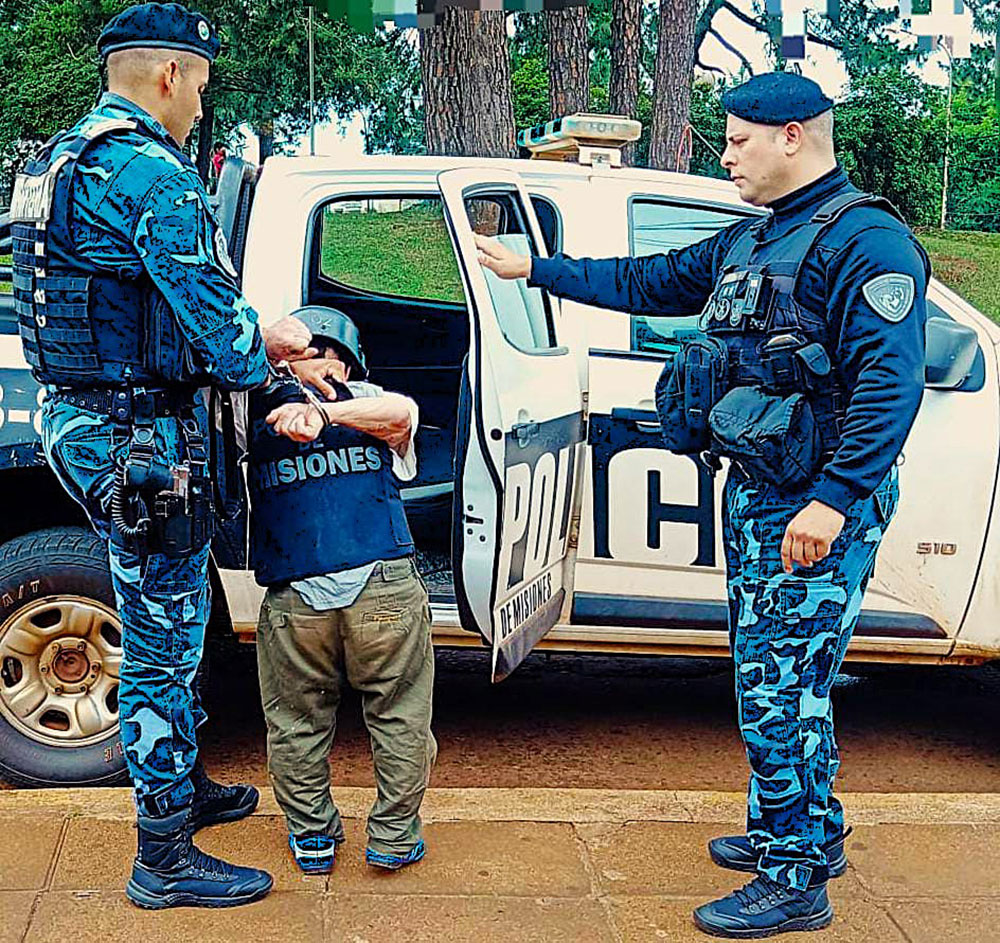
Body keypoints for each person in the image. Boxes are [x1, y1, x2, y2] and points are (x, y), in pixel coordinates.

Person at [475, 72, 928, 939]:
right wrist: (537, 268)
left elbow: (890, 384)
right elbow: (651, 280)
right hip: (763, 490)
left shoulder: (867, 241)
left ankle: (793, 878)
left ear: (792, 137)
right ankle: (803, 830)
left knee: (780, 684)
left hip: (813, 502)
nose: (725, 155)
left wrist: (834, 501)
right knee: (782, 675)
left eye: (738, 140)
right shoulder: (758, 235)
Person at [8, 1, 322, 911]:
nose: (200, 106)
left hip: (83, 418)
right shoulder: (154, 175)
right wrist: (274, 340)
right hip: (142, 442)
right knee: (159, 642)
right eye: (201, 87)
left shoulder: (58, 160)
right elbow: (225, 340)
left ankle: (181, 784)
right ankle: (164, 853)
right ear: (171, 74)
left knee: (176, 618)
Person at [246, 306, 436, 875]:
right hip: (373, 593)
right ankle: (392, 839)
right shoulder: (255, 405)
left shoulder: (361, 405)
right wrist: (287, 390)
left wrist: (320, 412)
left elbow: (402, 412)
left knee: (297, 725)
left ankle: (314, 839)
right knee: (398, 716)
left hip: (305, 599)